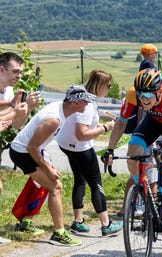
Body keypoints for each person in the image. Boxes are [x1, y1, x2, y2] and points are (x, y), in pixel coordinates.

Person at [102, 68, 162, 250]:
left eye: (148, 94)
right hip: (153, 123)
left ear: (158, 91)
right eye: (141, 93)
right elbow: (121, 122)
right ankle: (141, 193)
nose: (143, 98)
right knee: (133, 152)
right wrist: (110, 149)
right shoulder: (134, 95)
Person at [9, 85, 95, 246]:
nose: (87, 105)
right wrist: (47, 168)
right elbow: (31, 147)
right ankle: (59, 234)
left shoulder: (61, 111)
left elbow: (37, 142)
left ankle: (26, 221)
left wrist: (46, 161)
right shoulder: (54, 119)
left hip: (32, 150)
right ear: (75, 103)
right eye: (85, 101)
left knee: (48, 185)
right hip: (23, 152)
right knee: (55, 186)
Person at [56, 70, 122, 236]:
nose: (109, 88)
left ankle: (78, 221)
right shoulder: (88, 104)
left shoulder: (81, 96)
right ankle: (106, 224)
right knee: (96, 183)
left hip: (66, 143)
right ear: (100, 86)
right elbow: (82, 134)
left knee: (80, 180)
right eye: (108, 86)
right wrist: (105, 128)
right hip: (80, 146)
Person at [0, 52, 41, 245]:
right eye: (15, 72)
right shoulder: (9, 97)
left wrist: (27, 109)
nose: (19, 76)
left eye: (21, 72)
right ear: (2, 69)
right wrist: (12, 108)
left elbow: (15, 124)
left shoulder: (9, 91)